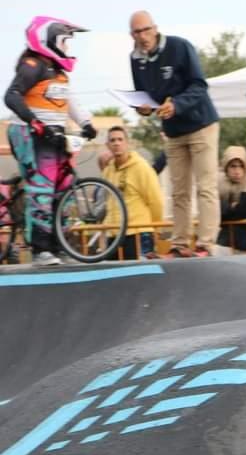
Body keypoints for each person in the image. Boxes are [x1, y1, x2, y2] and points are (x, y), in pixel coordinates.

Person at [4, 16, 97, 267]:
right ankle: (40, 249)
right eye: (65, 41)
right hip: (28, 132)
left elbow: (71, 100)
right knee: (43, 188)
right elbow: (12, 97)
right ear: (49, 40)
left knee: (64, 185)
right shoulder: (32, 65)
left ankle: (59, 244)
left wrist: (87, 123)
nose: (67, 48)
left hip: (53, 133)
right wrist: (36, 124)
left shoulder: (58, 72)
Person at [129, 10, 220, 258]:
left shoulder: (179, 47)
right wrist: (143, 107)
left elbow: (199, 85)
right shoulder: (136, 58)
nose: (143, 36)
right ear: (132, 35)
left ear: (155, 28)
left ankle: (205, 244)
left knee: (205, 186)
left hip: (201, 124)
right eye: (137, 32)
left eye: (146, 30)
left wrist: (177, 104)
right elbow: (143, 95)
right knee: (178, 190)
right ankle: (179, 244)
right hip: (173, 131)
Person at [102, 125, 163, 260]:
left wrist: (156, 229)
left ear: (127, 143)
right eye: (112, 140)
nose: (117, 143)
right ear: (107, 145)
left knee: (140, 279)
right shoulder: (108, 170)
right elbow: (108, 203)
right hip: (114, 234)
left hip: (138, 233)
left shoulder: (141, 167)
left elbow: (155, 200)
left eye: (120, 139)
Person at [218, 145, 246, 252]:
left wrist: (231, 209)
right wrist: (232, 207)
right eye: (233, 166)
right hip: (229, 237)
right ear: (226, 167)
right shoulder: (220, 183)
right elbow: (214, 211)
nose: (237, 171)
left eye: (241, 166)